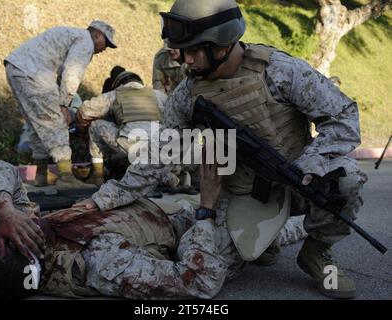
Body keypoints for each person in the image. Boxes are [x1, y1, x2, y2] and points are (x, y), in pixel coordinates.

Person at [77, 0, 368, 299]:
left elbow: (343, 117)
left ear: (222, 44)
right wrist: (105, 198)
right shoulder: (187, 95)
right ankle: (263, 240)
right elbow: (159, 156)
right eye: (181, 51)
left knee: (346, 179)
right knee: (208, 265)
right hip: (242, 194)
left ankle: (317, 251)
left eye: (192, 51)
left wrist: (313, 163)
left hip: (304, 180)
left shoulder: (280, 72)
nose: (184, 61)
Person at [0, 160, 305, 300]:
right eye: (11, 238)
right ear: (29, 253)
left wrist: (6, 209)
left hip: (168, 217)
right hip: (192, 241)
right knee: (248, 229)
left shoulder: (28, 228)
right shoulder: (99, 264)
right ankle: (302, 227)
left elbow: (0, 170)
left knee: (241, 190)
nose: (19, 225)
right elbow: (198, 282)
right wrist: (206, 209)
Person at [4, 20, 117, 189]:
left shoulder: (72, 34)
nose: (105, 48)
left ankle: (41, 175)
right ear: (97, 34)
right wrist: (64, 104)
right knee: (56, 122)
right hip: (34, 73)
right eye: (106, 42)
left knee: (38, 124)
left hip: (17, 68)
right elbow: (72, 72)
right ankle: (66, 177)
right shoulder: (85, 41)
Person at [75, 66, 175, 187]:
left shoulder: (116, 94)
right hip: (159, 148)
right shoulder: (159, 95)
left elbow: (85, 111)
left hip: (129, 146)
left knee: (95, 126)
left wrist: (82, 126)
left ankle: (97, 175)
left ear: (119, 85)